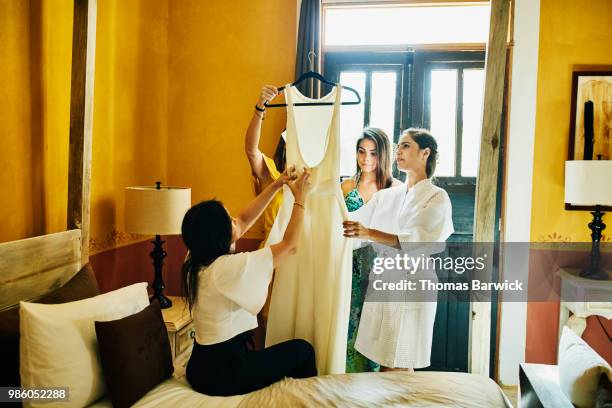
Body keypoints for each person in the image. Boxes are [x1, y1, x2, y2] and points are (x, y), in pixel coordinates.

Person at [181, 167, 317, 396]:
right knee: (303, 351)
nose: (236, 220)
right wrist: (300, 199)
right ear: (220, 236)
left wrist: (277, 185)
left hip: (199, 367)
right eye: (229, 220)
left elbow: (243, 220)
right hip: (224, 374)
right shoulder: (227, 269)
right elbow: (290, 246)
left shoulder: (194, 259)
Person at [342, 128, 454, 371]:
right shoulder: (388, 196)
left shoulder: (437, 197)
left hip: (413, 284)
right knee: (385, 361)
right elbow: (351, 225)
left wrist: (369, 232)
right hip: (384, 281)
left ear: (425, 153)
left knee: (401, 361)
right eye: (398, 146)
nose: (398, 151)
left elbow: (418, 240)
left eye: (405, 145)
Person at [341, 128, 400, 373]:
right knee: (347, 324)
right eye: (362, 151)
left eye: (374, 153)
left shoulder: (395, 188)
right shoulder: (345, 186)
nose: (366, 158)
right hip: (348, 265)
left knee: (375, 326)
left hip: (380, 266)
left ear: (383, 155)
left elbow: (400, 236)